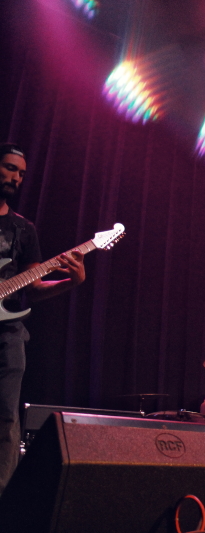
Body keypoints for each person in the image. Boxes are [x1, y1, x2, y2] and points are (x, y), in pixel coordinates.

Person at [0, 143, 87, 497]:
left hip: (7, 335)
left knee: (6, 421)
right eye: (8, 168)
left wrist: (72, 280)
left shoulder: (24, 229)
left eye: (20, 173)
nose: (15, 177)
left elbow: (32, 287)